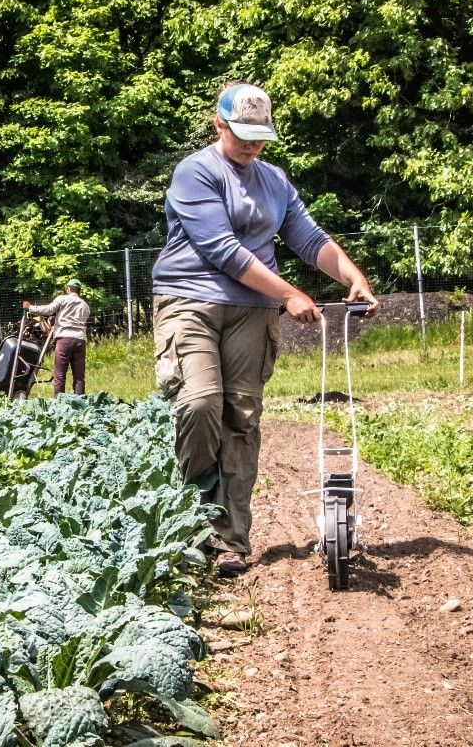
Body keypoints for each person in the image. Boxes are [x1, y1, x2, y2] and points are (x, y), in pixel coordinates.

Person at [151, 82, 381, 577]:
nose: (252, 146)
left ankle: (230, 538)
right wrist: (288, 294)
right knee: (199, 402)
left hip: (251, 312)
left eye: (260, 137)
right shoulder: (196, 173)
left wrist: (351, 276)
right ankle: (193, 513)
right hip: (189, 300)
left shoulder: (274, 180)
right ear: (219, 125)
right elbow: (222, 250)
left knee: (242, 416)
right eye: (243, 136)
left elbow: (308, 236)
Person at [24, 279, 91, 395]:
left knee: (60, 375)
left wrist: (30, 307)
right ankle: (80, 402)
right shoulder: (85, 306)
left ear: (68, 289)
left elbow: (48, 310)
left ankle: (59, 402)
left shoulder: (62, 299)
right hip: (80, 340)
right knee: (79, 376)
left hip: (64, 339)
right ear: (79, 291)